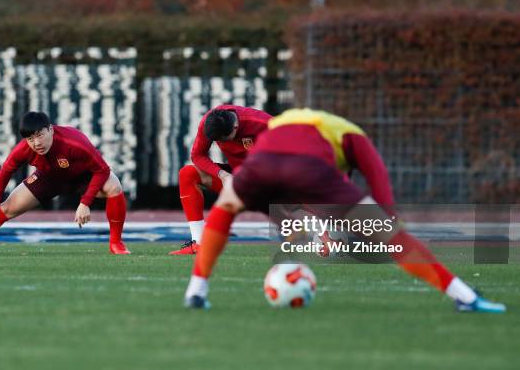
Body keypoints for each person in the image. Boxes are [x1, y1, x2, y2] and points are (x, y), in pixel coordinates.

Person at [184, 108, 506, 313]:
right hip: (309, 169)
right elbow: (375, 174)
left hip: (259, 167)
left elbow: (275, 175)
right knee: (391, 238)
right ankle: (465, 296)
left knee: (223, 213)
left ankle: (196, 291)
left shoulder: (279, 123)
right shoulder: (350, 133)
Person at [0, 111, 130, 255]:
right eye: (30, 139)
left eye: (40, 135)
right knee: (1, 210)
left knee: (114, 185)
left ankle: (116, 243)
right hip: (49, 179)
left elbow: (102, 169)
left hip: (82, 179)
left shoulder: (74, 142)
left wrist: (85, 202)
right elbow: (6, 170)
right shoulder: (24, 148)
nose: (36, 143)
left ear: (50, 129)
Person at [170, 105, 272, 255]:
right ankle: (199, 242)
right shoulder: (208, 123)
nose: (220, 143)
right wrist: (222, 175)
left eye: (224, 139)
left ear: (236, 127)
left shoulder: (265, 123)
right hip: (237, 181)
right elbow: (197, 155)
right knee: (188, 173)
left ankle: (317, 234)